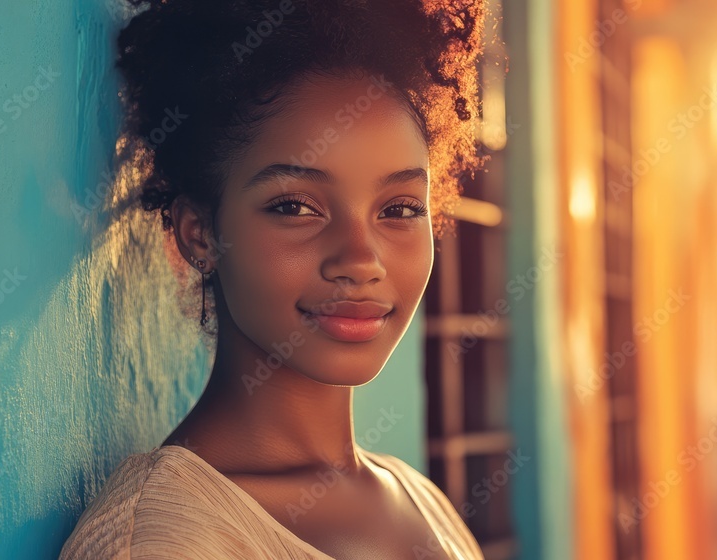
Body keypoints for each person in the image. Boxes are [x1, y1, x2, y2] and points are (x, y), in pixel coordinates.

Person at [59, 0, 488, 558]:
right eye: (295, 207)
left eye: (401, 208)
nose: (362, 259)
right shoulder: (164, 541)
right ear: (200, 233)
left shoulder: (423, 501)